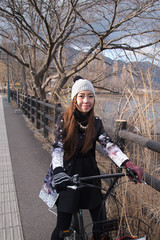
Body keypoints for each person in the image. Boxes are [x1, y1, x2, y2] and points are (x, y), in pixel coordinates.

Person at [51, 77, 143, 240]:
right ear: (74, 98)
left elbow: (109, 146)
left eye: (90, 96)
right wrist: (58, 171)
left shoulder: (96, 122)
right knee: (61, 227)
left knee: (101, 224)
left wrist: (127, 163)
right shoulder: (63, 119)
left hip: (90, 173)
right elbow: (57, 148)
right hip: (67, 173)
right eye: (81, 96)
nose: (86, 100)